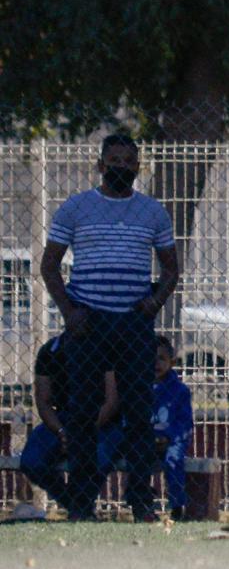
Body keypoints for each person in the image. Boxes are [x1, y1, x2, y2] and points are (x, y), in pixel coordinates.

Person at [40, 134, 179, 522]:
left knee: (139, 413)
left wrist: (154, 304)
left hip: (133, 324)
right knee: (83, 412)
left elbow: (171, 269)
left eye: (128, 161)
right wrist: (69, 311)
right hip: (88, 323)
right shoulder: (75, 208)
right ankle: (82, 504)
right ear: (101, 165)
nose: (120, 167)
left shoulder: (154, 212)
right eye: (113, 160)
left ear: (137, 168)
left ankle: (141, 502)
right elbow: (49, 265)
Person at [19, 333, 124, 519]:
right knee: (31, 460)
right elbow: (43, 401)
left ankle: (81, 509)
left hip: (102, 420)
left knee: (99, 457)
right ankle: (75, 505)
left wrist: (86, 432)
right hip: (64, 418)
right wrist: (62, 431)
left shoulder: (107, 347)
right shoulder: (51, 350)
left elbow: (112, 401)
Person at [152, 335, 194, 521]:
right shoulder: (140, 387)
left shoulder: (179, 390)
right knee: (136, 458)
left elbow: (183, 422)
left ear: (172, 362)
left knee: (173, 460)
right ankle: (141, 499)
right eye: (151, 358)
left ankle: (177, 505)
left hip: (173, 439)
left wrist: (168, 436)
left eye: (161, 358)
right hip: (148, 439)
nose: (156, 363)